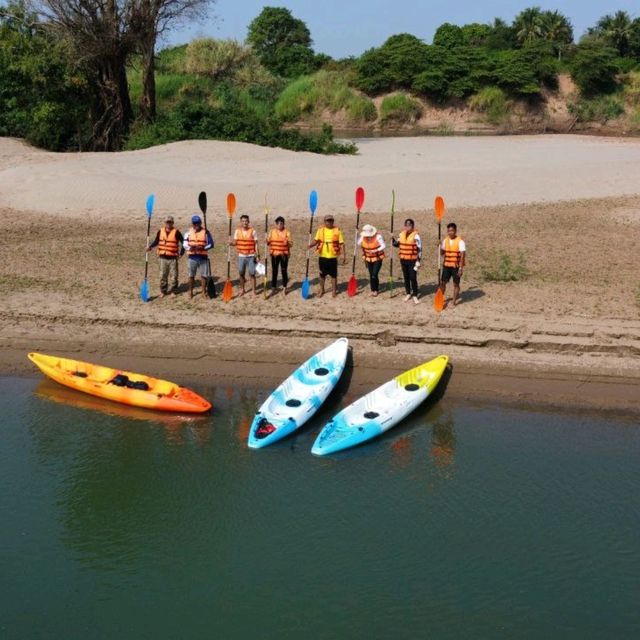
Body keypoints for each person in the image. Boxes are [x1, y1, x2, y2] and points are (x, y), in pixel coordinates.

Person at [146, 215, 184, 297]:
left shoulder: (176, 232)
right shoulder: (160, 231)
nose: (168, 224)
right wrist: (150, 247)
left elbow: (184, 243)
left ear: (173, 223)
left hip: (173, 258)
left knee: (174, 276)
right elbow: (157, 241)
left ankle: (174, 291)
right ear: (165, 223)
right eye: (167, 222)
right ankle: (163, 291)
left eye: (170, 222)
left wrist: (181, 254)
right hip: (162, 258)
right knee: (163, 275)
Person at [309, 214, 345, 297]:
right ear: (324, 222)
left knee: (334, 275)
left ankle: (334, 291)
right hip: (323, 256)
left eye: (331, 220)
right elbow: (316, 240)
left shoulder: (337, 230)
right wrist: (310, 245)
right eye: (328, 221)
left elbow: (342, 243)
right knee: (322, 275)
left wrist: (344, 256)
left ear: (333, 221)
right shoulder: (320, 230)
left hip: (333, 257)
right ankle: (322, 290)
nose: (329, 222)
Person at [183, 215, 214, 299]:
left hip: (203, 258)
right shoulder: (188, 233)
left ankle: (203, 292)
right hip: (192, 258)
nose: (196, 225)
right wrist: (190, 248)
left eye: (198, 223)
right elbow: (185, 244)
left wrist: (203, 247)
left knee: (204, 276)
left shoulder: (206, 232)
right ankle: (190, 292)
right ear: (192, 223)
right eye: (194, 223)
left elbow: (211, 244)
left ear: (200, 223)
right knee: (191, 276)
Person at [392, 218, 422, 304]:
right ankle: (408, 293)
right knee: (406, 277)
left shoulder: (416, 236)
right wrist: (392, 239)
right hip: (403, 260)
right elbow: (396, 244)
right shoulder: (401, 234)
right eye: (406, 225)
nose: (407, 227)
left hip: (413, 260)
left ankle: (415, 295)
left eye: (409, 225)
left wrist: (418, 261)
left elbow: (420, 249)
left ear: (412, 226)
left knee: (413, 277)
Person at [230, 214, 260, 296]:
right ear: (241, 222)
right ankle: (242, 289)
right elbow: (235, 242)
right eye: (243, 221)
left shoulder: (253, 231)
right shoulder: (237, 231)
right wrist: (231, 243)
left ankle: (254, 291)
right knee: (241, 273)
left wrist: (257, 255)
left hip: (251, 255)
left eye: (246, 221)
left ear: (248, 222)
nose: (245, 223)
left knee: (252, 273)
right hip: (241, 256)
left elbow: (256, 244)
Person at [440, 222, 466, 308]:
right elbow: (442, 253)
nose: (450, 232)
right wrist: (439, 246)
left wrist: (461, 268)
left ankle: (454, 301)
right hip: (446, 265)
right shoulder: (445, 240)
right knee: (443, 283)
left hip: (456, 266)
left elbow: (462, 256)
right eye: (448, 231)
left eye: (452, 230)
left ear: (455, 231)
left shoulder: (460, 241)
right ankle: (440, 299)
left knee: (455, 284)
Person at [267, 216, 293, 295]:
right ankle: (273, 287)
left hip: (283, 255)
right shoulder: (271, 232)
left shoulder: (287, 232)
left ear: (283, 224)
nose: (279, 225)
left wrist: (287, 243)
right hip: (274, 254)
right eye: (278, 224)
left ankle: (284, 287)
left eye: (281, 223)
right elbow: (268, 242)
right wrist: (266, 241)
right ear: (276, 224)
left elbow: (291, 244)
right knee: (274, 271)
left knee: (284, 271)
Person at [357, 224, 385, 296]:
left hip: (377, 258)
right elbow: (358, 243)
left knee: (374, 274)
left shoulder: (378, 236)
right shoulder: (363, 237)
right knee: (371, 274)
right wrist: (358, 234)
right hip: (368, 258)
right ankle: (373, 289)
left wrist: (376, 250)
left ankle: (376, 290)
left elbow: (383, 245)